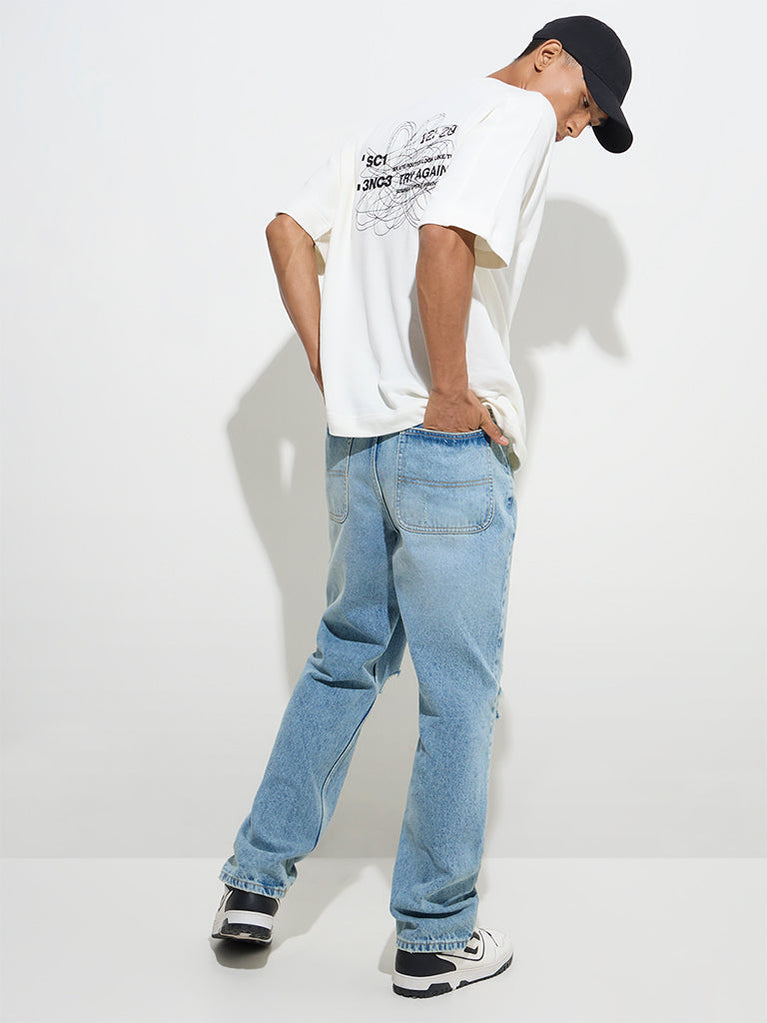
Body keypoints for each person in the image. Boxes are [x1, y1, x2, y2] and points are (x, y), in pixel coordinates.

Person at [211, 14, 634, 999]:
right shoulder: (516, 117)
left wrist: (335, 370)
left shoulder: (394, 129)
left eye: (588, 121)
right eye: (584, 105)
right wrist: (447, 391)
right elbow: (443, 236)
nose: (576, 128)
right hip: (443, 449)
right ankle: (434, 937)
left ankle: (251, 887)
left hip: (358, 445)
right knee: (459, 695)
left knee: (343, 662)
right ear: (547, 59)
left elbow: (285, 228)